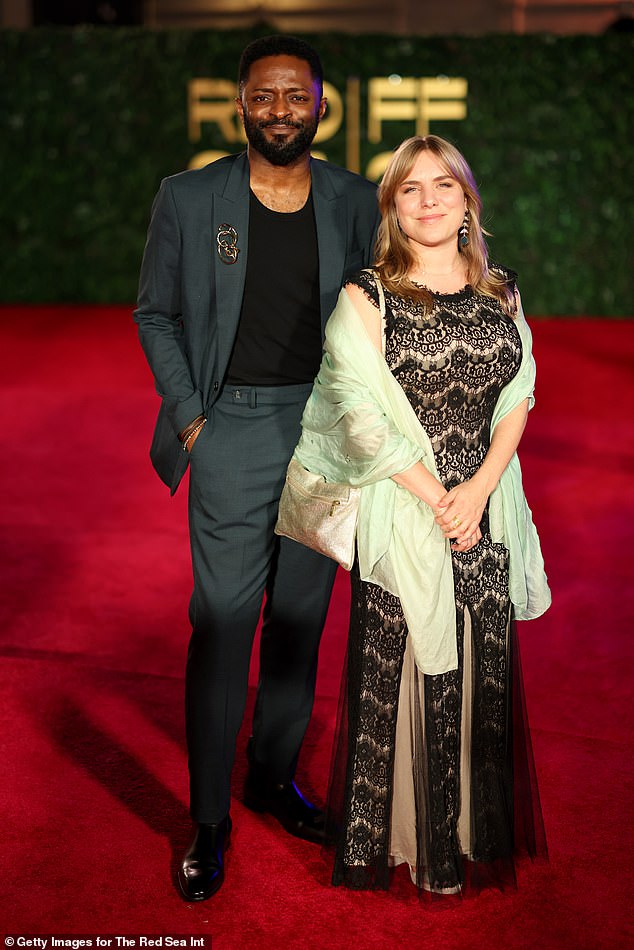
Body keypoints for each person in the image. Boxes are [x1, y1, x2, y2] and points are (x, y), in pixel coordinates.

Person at [133, 34, 379, 902]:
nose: (281, 109)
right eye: (264, 95)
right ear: (241, 102)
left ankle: (273, 778)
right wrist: (193, 418)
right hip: (228, 426)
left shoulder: (353, 198)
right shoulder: (190, 197)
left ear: (320, 104)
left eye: (295, 95)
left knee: (302, 621)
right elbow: (154, 312)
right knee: (225, 619)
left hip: (324, 435)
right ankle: (208, 820)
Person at [292, 134, 551, 897]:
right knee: (403, 667)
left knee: (480, 665)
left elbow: (519, 398)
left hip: (487, 511)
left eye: (445, 185)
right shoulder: (365, 296)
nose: (430, 200)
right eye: (411, 189)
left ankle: (470, 837)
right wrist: (438, 497)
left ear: (468, 201)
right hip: (407, 510)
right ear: (393, 208)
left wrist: (477, 493)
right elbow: (354, 411)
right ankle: (409, 844)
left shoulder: (501, 290)